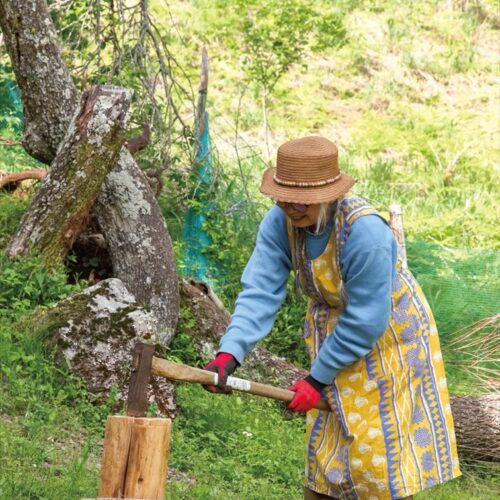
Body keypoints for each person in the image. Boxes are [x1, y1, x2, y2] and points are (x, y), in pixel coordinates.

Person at [204, 136, 461, 499]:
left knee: (375, 460)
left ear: (327, 195)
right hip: (333, 336)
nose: (290, 205)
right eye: (282, 194)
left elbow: (365, 320)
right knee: (326, 454)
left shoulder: (365, 233)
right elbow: (260, 291)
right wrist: (230, 353)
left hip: (387, 341)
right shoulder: (280, 223)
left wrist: (317, 379)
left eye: (301, 199)